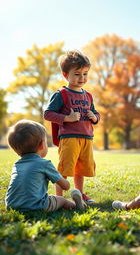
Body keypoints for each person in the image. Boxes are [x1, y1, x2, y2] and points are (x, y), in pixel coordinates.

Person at [44, 50, 100, 204]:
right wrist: (67, 118)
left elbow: (95, 113)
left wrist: (95, 118)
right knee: (65, 169)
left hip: (87, 138)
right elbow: (48, 114)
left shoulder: (88, 95)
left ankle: (80, 194)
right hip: (69, 137)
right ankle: (59, 197)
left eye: (85, 74)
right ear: (65, 75)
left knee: (80, 169)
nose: (82, 78)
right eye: (77, 74)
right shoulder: (61, 94)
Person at [5, 119, 87, 212]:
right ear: (42, 145)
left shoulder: (17, 165)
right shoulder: (44, 164)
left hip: (12, 206)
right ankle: (77, 206)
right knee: (62, 200)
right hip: (37, 206)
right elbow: (66, 186)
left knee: (50, 198)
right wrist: (60, 179)